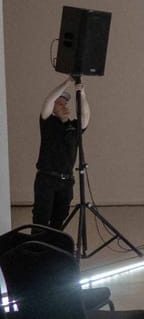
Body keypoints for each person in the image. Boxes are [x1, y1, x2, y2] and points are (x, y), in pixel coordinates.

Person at [33, 76, 88, 229]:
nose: (64, 107)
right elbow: (48, 102)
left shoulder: (72, 127)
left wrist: (82, 93)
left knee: (59, 221)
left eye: (65, 104)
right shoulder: (48, 122)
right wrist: (68, 82)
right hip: (47, 179)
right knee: (41, 220)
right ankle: (38, 250)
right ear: (54, 110)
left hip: (66, 181)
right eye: (60, 104)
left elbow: (85, 117)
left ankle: (54, 250)